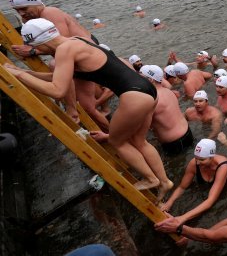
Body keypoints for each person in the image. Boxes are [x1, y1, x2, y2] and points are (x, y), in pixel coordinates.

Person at [7, 19, 172, 197]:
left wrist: (20, 74)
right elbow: (57, 77)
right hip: (147, 90)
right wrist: (27, 73)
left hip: (133, 96)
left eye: (38, 48)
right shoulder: (76, 40)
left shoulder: (64, 50)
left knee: (117, 142)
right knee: (140, 142)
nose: (41, 52)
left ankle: (150, 179)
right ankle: (164, 182)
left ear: (38, 42)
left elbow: (57, 90)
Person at [8, 0, 109, 128]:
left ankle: (75, 110)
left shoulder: (49, 13)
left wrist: (32, 51)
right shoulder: (31, 18)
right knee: (89, 101)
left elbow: (64, 43)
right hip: (80, 54)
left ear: (35, 3)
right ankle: (105, 113)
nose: (21, 14)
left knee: (56, 66)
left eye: (24, 9)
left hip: (85, 51)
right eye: (16, 10)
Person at [159, 139, 227, 225]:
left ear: (212, 157)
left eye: (202, 159)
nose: (198, 162)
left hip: (222, 185)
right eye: (196, 158)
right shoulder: (194, 163)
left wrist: (183, 218)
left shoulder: (223, 167)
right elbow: (182, 187)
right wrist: (169, 203)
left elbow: (210, 201)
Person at [141, 65, 193, 155]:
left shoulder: (152, 99)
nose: (139, 80)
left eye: (141, 77)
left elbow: (141, 127)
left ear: (151, 80)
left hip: (174, 143)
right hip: (188, 132)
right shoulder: (169, 92)